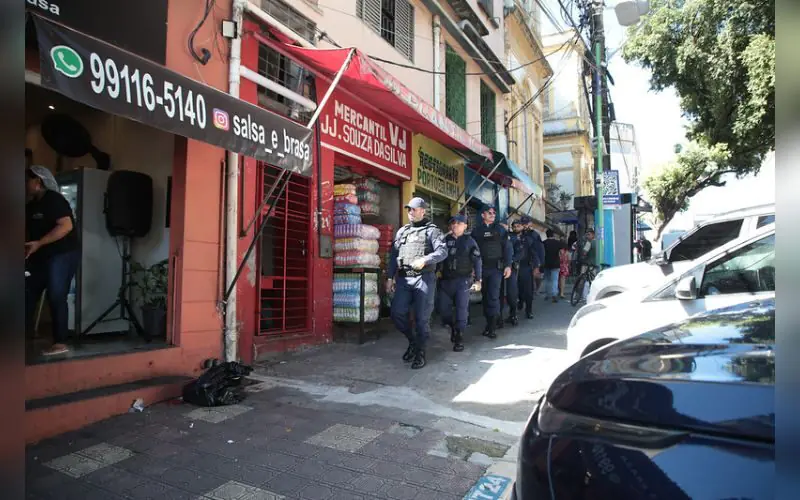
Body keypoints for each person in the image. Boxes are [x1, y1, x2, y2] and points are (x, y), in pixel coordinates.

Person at [387, 197, 447, 369]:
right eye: (409, 209)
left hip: (424, 278)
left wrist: (425, 260)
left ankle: (420, 352)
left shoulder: (432, 231)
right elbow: (393, 256)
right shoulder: (402, 232)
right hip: (404, 278)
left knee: (421, 319)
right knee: (397, 313)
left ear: (423, 211)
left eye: (414, 209)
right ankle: (413, 341)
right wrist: (390, 278)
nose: (410, 212)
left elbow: (442, 252)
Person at [26, 165, 80, 356]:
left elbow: (66, 226)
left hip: (62, 254)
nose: (24, 184)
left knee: (56, 294)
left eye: (27, 180)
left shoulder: (54, 199)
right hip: (40, 256)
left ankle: (60, 342)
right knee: (26, 292)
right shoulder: (31, 205)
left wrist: (39, 243)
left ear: (38, 182)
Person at [438, 214, 482, 352]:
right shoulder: (444, 240)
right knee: (443, 311)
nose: (455, 225)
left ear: (465, 226)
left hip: (463, 281)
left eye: (458, 223)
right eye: (453, 223)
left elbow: (477, 261)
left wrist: (478, 280)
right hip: (445, 281)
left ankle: (459, 337)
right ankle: (452, 327)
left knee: (461, 311)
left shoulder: (470, 241)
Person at [471, 204, 512, 339]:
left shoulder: (500, 230)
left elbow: (507, 248)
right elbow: (472, 251)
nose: (493, 215)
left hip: (496, 269)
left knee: (493, 296)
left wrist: (508, 265)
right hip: (482, 269)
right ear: (483, 215)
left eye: (494, 213)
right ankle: (490, 321)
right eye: (489, 213)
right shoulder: (476, 231)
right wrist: (473, 269)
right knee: (485, 297)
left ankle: (492, 326)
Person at [518, 216, 544, 319]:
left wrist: (538, 266)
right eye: (523, 224)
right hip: (517, 265)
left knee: (528, 290)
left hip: (528, 265)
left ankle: (529, 310)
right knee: (519, 288)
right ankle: (520, 301)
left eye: (526, 223)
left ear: (530, 224)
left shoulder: (534, 235)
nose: (524, 226)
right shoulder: (519, 233)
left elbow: (539, 251)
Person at [505, 219, 525, 326]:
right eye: (514, 226)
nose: (516, 228)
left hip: (513, 268)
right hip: (499, 268)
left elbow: (520, 253)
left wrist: (511, 261)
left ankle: (513, 314)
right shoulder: (503, 236)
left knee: (512, 292)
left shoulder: (516, 239)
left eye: (518, 226)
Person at [542, 229, 563, 302]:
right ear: (553, 235)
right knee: (555, 280)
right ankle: (554, 294)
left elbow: (542, 253)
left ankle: (547, 294)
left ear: (546, 235)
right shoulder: (557, 243)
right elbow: (561, 252)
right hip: (556, 263)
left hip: (546, 263)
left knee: (547, 279)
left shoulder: (543, 243)